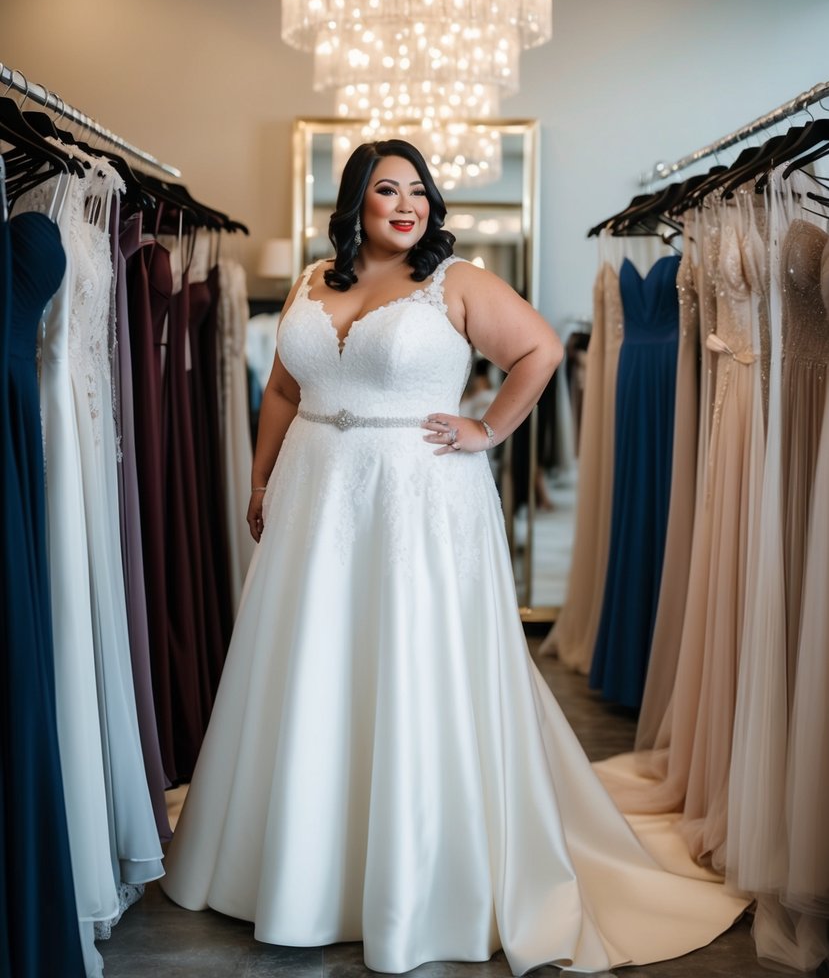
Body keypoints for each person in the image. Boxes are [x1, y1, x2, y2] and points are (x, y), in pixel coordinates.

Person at [161, 139, 747, 974]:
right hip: (311, 498)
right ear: (353, 202)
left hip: (416, 501)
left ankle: (418, 873)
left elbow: (540, 351)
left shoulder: (457, 281)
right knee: (309, 665)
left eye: (419, 192)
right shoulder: (308, 283)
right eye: (386, 190)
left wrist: (487, 428)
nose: (407, 205)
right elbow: (287, 390)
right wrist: (258, 479)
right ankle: (297, 861)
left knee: (410, 664)